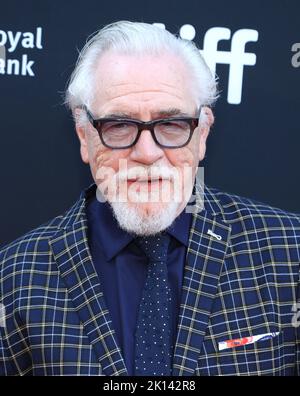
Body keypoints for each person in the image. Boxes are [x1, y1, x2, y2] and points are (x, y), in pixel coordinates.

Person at [0, 21, 299, 377]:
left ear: (202, 134)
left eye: (171, 125)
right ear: (84, 137)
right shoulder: (14, 276)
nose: (146, 152)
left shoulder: (290, 251)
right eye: (118, 126)